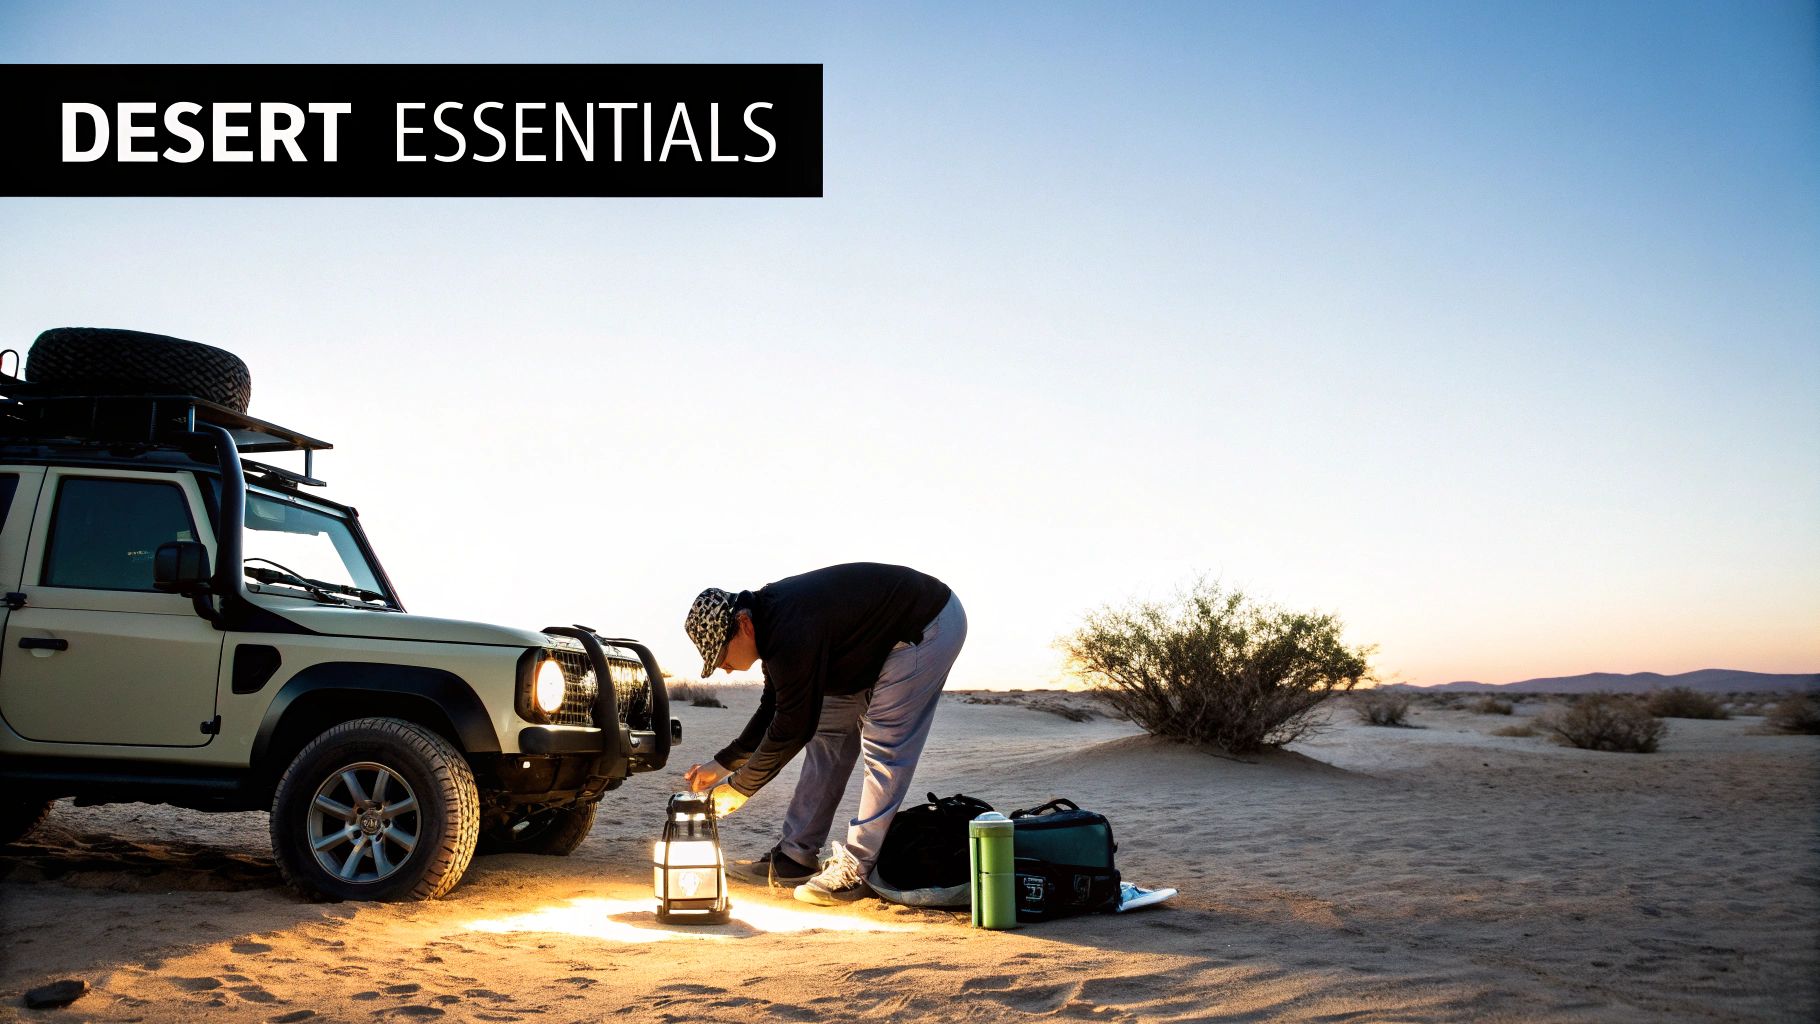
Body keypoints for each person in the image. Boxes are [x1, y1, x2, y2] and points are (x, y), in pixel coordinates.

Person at [681, 562, 966, 906]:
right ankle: (795, 857)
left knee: (884, 744)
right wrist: (722, 765)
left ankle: (857, 868)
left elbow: (793, 728)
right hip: (866, 647)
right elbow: (774, 707)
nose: (723, 669)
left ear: (743, 625)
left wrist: (740, 788)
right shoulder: (770, 627)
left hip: (926, 623)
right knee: (829, 733)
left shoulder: (788, 628)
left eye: (721, 656)